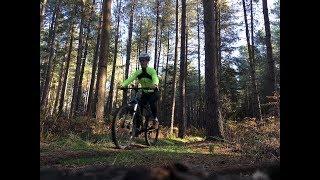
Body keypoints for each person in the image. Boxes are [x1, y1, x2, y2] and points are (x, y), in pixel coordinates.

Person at [118, 53, 160, 129]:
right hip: (145, 93)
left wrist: (155, 84)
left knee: (152, 102)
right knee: (138, 107)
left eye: (145, 60)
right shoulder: (138, 72)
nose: (143, 62)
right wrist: (123, 85)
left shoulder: (151, 70)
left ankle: (155, 120)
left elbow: (155, 78)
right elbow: (130, 79)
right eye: (141, 60)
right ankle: (137, 127)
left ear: (148, 61)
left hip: (154, 92)